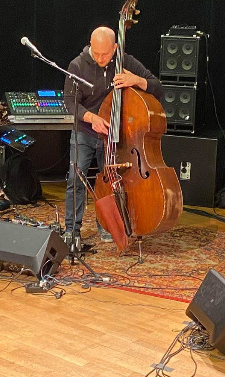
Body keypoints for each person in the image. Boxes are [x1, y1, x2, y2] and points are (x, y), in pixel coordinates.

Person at [63, 26, 163, 243]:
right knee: (75, 180)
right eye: (96, 53)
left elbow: (158, 87)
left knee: (111, 183)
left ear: (115, 48)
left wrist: (136, 80)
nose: (100, 58)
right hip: (85, 132)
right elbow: (70, 102)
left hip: (114, 136)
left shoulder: (125, 62)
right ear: (90, 45)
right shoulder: (77, 65)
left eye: (105, 54)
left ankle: (107, 226)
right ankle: (72, 229)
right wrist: (92, 118)